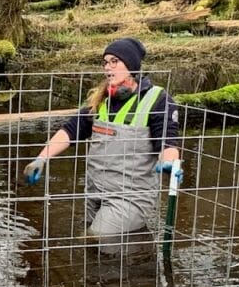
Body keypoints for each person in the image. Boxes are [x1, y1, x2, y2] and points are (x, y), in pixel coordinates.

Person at [23, 37, 181, 239]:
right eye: (105, 62)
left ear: (131, 65)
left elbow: (167, 141)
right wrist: (41, 158)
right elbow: (71, 130)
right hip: (95, 194)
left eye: (115, 61)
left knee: (94, 239)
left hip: (131, 197)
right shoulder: (101, 100)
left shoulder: (157, 99)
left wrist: (169, 163)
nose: (108, 67)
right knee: (102, 254)